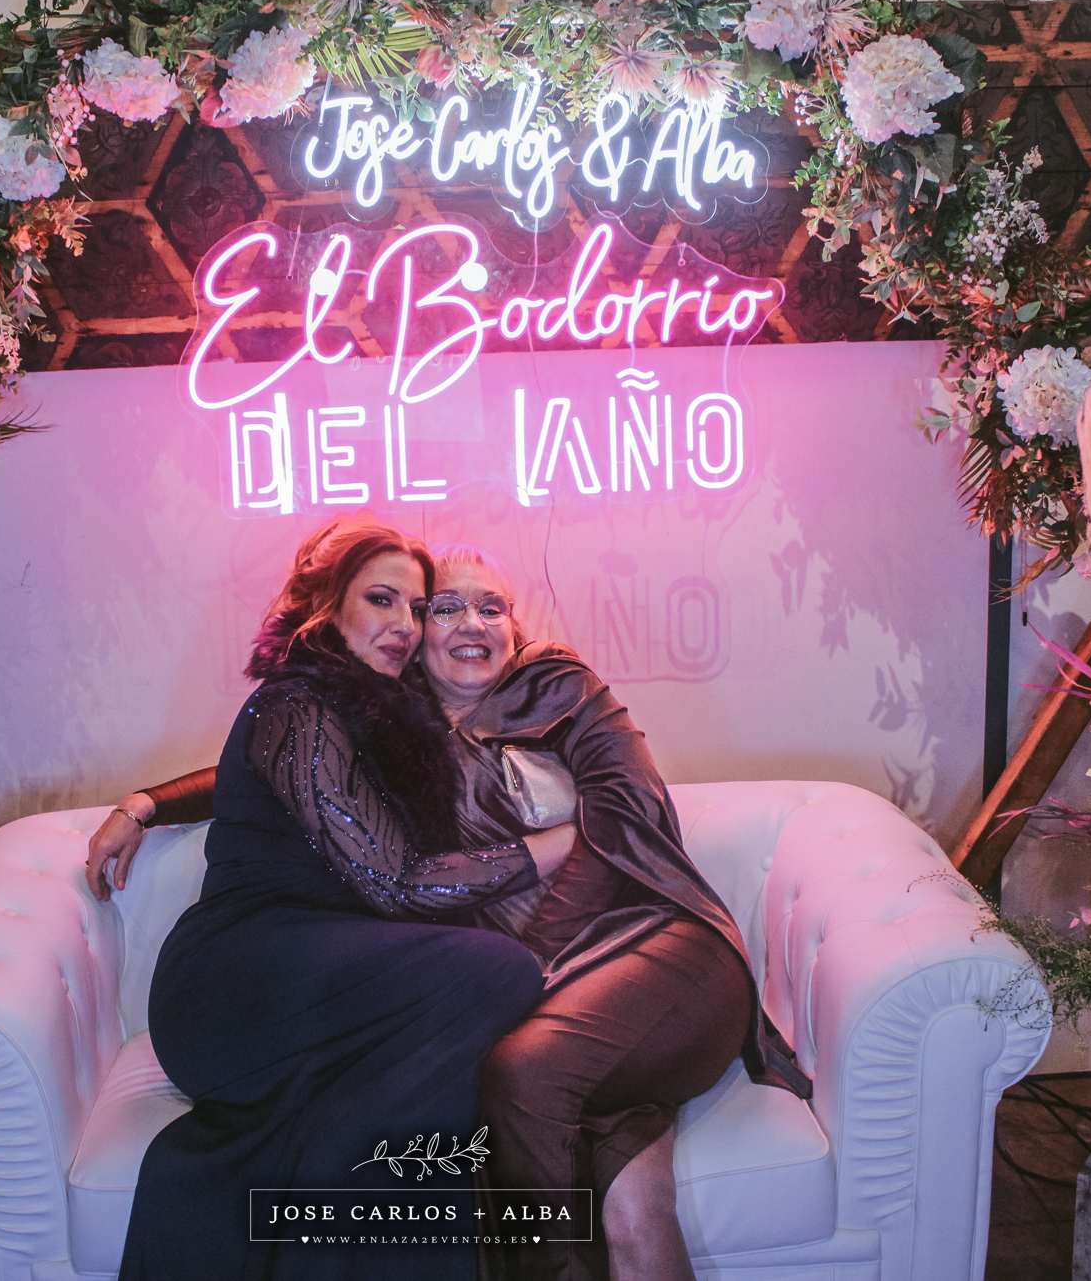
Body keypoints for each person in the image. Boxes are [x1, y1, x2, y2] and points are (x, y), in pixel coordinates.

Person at [93, 543, 809, 1281]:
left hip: (648, 941)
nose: (469, 623)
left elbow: (629, 808)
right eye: (443, 608)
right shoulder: (395, 724)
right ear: (414, 641)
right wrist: (147, 803)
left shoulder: (558, 684)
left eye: (490, 607)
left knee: (525, 1076)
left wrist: (537, 955)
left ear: (514, 624)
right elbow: (292, 765)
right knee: (618, 1185)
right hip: (545, 988)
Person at [119, 518, 580, 1281]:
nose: (405, 624)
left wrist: (150, 801)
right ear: (326, 606)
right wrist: (559, 843)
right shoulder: (295, 704)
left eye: (416, 607)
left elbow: (246, 778)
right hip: (236, 986)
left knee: (444, 1049)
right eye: (381, 599)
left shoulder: (375, 715)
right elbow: (397, 880)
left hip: (326, 980)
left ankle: (346, 1169)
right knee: (498, 970)